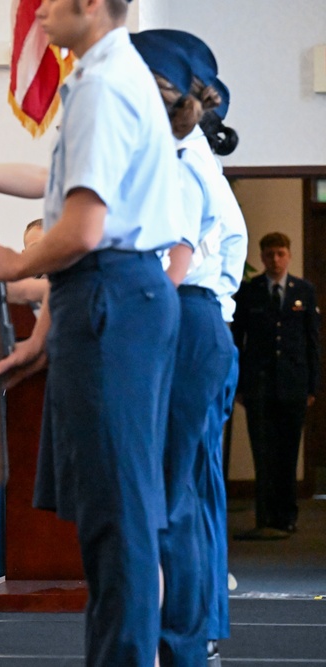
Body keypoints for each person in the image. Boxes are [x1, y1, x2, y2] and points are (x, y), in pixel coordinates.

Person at [0, 0, 183, 662]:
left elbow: (83, 229)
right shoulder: (101, 78)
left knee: (117, 512)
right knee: (112, 510)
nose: (38, 15)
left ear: (91, 5)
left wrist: (14, 262)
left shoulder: (106, 83)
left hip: (110, 290)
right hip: (109, 291)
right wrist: (41, 338)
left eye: (51, 2)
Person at [130, 31, 236, 666]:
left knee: (168, 504)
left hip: (183, 322)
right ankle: (189, 640)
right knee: (184, 500)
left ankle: (180, 645)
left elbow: (173, 263)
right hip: (197, 326)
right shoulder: (188, 154)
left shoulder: (177, 161)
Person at [232, 232, 320, 538]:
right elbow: (238, 341)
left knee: (288, 453)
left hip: (293, 385)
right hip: (259, 385)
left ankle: (287, 517)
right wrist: (238, 385)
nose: (275, 260)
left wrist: (312, 386)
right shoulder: (250, 292)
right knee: (263, 452)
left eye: (281, 253)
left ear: (289, 255)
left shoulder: (304, 291)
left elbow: (312, 342)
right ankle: (265, 517)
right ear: (262, 257)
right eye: (269, 254)